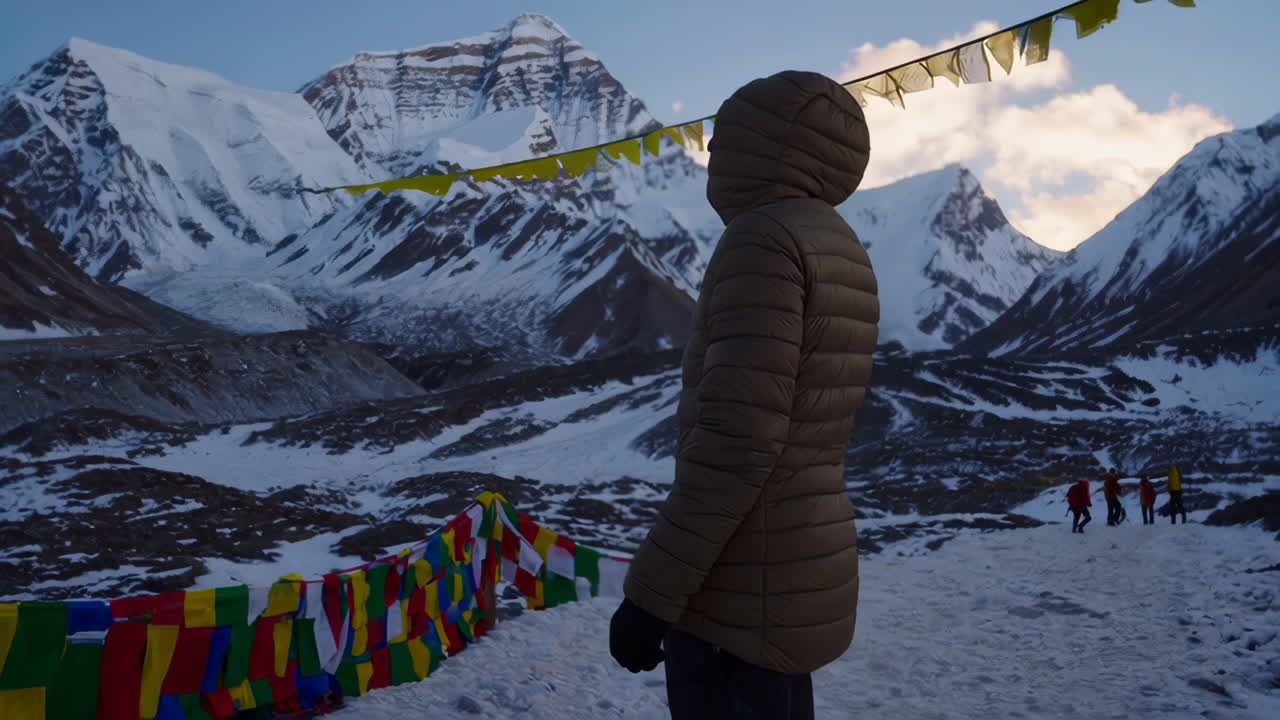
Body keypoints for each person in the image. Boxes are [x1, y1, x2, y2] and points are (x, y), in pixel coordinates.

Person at [607, 70, 877, 720]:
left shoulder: (763, 240)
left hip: (735, 593)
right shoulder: (839, 243)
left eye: (724, 138)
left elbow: (738, 444)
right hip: (797, 567)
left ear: (765, 146)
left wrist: (650, 598)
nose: (711, 154)